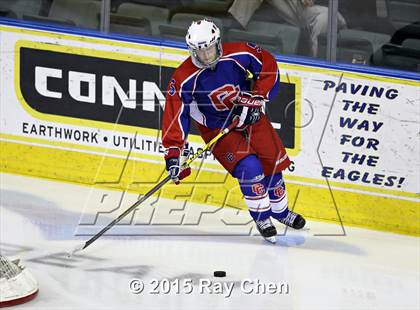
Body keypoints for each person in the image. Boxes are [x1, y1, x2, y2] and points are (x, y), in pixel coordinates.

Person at [161, 19, 305, 243]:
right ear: (191, 51)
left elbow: (267, 63)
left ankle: (281, 212)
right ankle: (262, 217)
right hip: (218, 128)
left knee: (272, 166)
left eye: (209, 49)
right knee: (250, 168)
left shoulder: (239, 53)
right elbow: (175, 114)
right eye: (200, 52)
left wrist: (257, 98)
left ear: (218, 43)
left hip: (251, 116)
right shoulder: (183, 77)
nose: (206, 56)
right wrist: (173, 154)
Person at [228, 0, 347, 57]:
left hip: (327, 10)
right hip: (298, 9)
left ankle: (316, 67)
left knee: (324, 19)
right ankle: (234, 26)